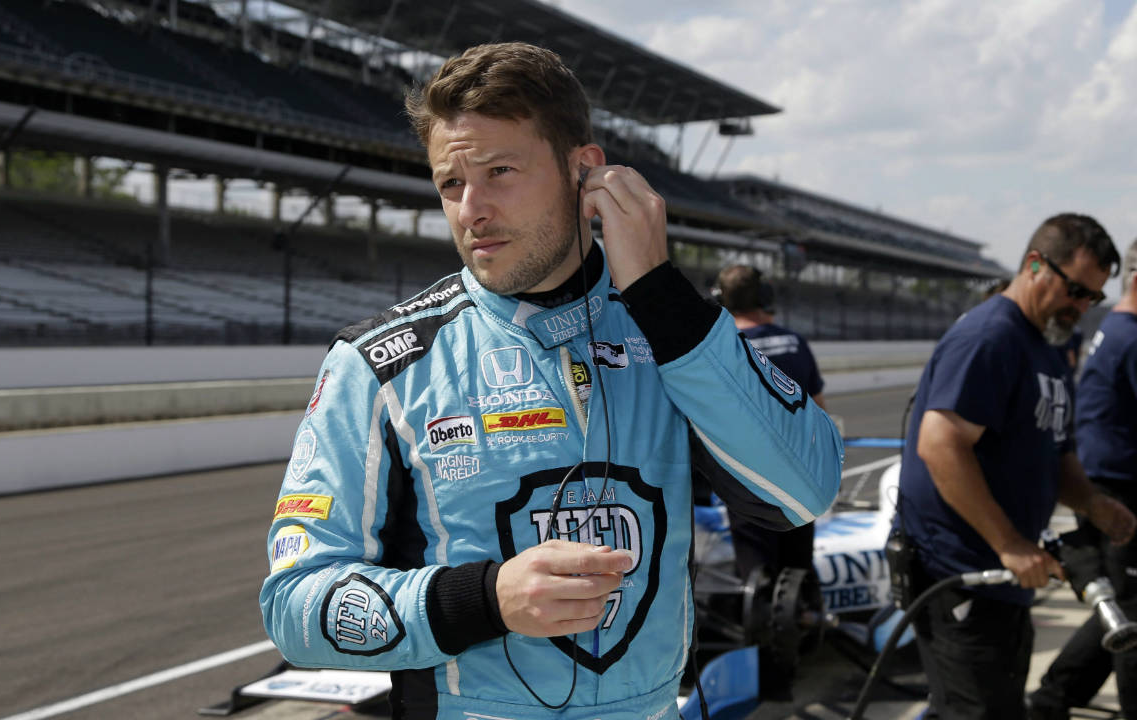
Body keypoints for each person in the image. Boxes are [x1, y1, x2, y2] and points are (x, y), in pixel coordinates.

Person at [259, 42, 844, 720]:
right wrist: (486, 599)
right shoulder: (382, 362)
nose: (471, 210)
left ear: (584, 171)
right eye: (451, 184)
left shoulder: (671, 333)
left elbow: (806, 489)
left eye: (500, 171)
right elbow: (295, 607)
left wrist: (661, 294)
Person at [895, 213, 1136, 719]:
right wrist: (1009, 543)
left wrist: (1092, 503)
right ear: (1033, 265)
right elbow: (940, 446)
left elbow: (1058, 449)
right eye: (1075, 290)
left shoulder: (1046, 347)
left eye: (1092, 297)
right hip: (959, 574)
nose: (1081, 307)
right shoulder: (991, 337)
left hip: (1003, 581)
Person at [703, 264, 827, 698]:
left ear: (721, 297)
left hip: (747, 481)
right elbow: (818, 409)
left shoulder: (723, 344)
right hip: (799, 480)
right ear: (766, 295)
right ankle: (797, 657)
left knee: (757, 584)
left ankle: (767, 679)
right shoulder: (795, 340)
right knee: (796, 571)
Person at [1028, 238, 1137, 720]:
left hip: (1105, 485)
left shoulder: (1116, 329)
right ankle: (1053, 698)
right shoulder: (1130, 337)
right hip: (1116, 491)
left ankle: (1052, 699)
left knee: (1121, 609)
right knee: (1130, 615)